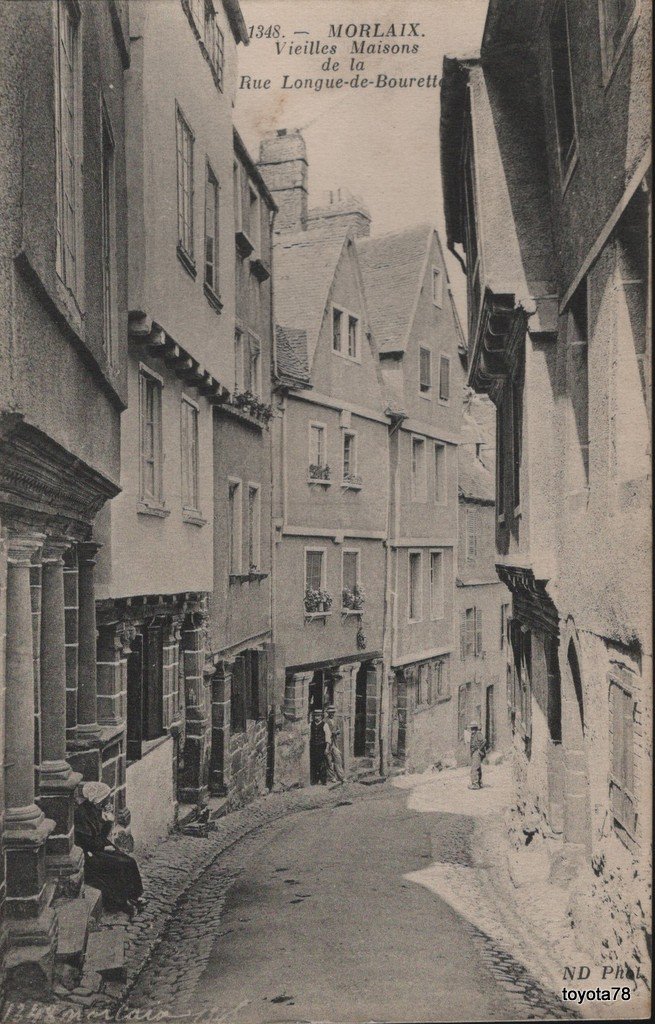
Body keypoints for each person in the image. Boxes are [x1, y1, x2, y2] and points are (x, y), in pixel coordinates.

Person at [74, 782, 145, 916]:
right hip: (89, 854)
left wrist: (107, 820)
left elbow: (99, 835)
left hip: (98, 847)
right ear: (98, 798)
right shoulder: (81, 814)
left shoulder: (94, 809)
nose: (108, 800)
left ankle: (135, 896)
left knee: (128, 860)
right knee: (121, 864)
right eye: (106, 798)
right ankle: (124, 902)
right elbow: (89, 842)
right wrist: (108, 824)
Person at [325, 706, 345, 785]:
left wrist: (337, 732)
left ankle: (341, 776)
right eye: (330, 712)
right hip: (328, 742)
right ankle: (332, 777)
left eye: (333, 712)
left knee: (338, 759)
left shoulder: (336, 720)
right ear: (328, 713)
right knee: (329, 760)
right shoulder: (325, 721)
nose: (332, 714)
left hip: (335, 742)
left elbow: (339, 730)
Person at [468, 721, 487, 789]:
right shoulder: (473, 735)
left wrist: (479, 749)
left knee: (474, 768)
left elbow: (484, 741)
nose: (472, 730)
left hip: (477, 752)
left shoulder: (478, 733)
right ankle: (479, 783)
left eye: (473, 728)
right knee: (478, 768)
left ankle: (475, 784)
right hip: (474, 752)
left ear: (476, 728)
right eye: (471, 728)